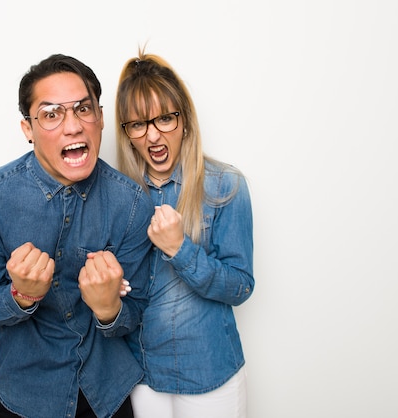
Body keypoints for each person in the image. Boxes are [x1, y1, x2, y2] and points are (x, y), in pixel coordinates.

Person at [0, 54, 153, 418]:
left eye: (83, 109)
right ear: (27, 128)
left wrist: (109, 309)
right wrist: (22, 295)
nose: (73, 126)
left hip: (107, 395)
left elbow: (135, 311)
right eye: (51, 114)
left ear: (101, 118)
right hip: (25, 397)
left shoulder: (133, 203)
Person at [114, 50, 255, 418]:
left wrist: (181, 249)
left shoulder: (225, 186)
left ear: (186, 121)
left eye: (165, 118)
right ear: (127, 133)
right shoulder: (117, 197)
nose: (154, 135)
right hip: (142, 376)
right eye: (139, 124)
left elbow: (241, 286)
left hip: (210, 373)